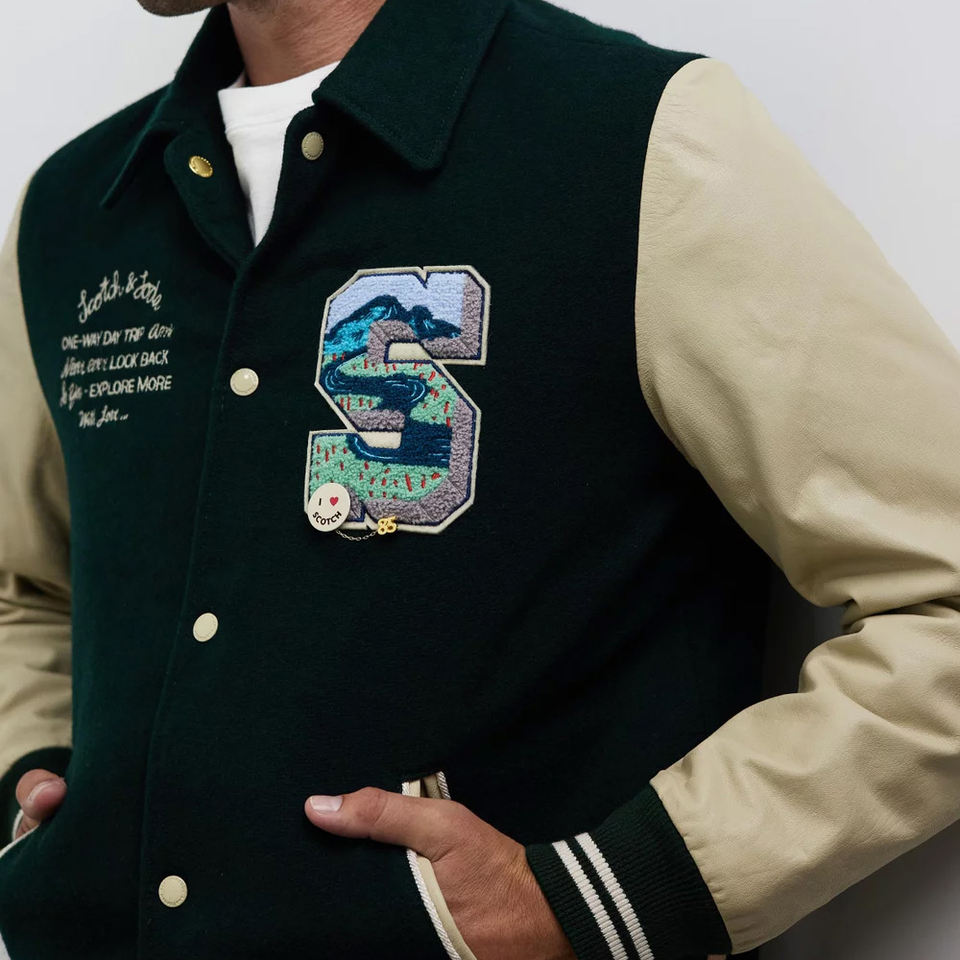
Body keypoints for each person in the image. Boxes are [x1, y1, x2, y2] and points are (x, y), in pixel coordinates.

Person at [1, 0, 958, 958]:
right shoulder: (73, 209)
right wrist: (30, 775)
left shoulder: (632, 136)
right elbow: (23, 591)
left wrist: (598, 897)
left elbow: (942, 596)